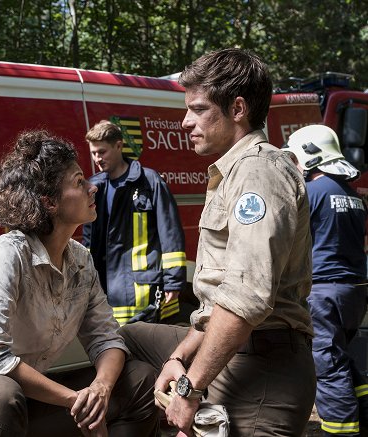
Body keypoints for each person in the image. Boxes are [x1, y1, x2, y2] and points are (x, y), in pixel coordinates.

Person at [0, 130, 158, 437]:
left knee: (140, 378)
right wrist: (75, 401)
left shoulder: (80, 259)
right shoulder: (7, 253)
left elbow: (106, 339)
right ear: (49, 202)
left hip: (17, 396)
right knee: (0, 394)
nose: (92, 187)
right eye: (79, 182)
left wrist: (100, 391)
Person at [119, 48, 316, 436]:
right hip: (233, 355)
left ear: (238, 108)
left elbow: (245, 299)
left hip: (263, 374)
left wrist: (190, 388)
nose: (184, 121)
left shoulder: (258, 172)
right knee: (127, 337)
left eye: (198, 108)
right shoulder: (233, 170)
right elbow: (216, 303)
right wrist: (177, 358)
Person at [284, 124, 368, 436]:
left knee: (328, 363)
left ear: (308, 154)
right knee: (341, 354)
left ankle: (341, 430)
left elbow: (289, 240)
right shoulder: (350, 193)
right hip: (354, 289)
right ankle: (364, 413)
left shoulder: (313, 192)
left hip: (323, 290)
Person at [82, 120, 187, 325]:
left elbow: (170, 232)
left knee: (147, 347)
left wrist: (173, 282)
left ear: (119, 146)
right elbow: (88, 241)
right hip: (105, 287)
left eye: (102, 152)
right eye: (93, 153)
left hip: (142, 287)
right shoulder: (93, 187)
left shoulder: (149, 181)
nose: (97, 158)